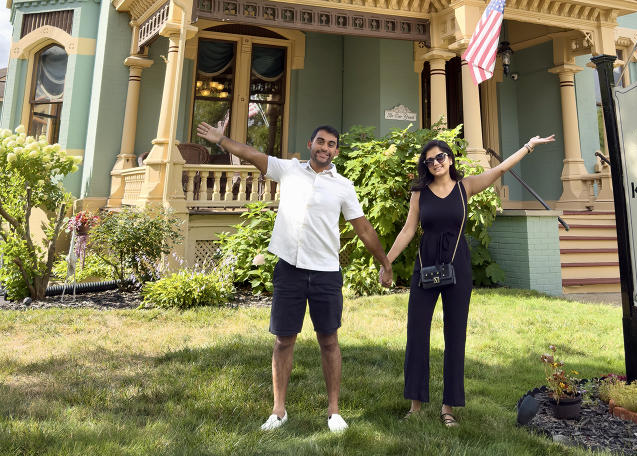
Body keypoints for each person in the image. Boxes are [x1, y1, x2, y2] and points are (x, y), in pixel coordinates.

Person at [197, 120, 393, 433]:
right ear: (310, 144)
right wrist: (223, 141)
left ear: (336, 151)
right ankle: (278, 411)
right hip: (289, 268)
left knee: (329, 341)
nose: (324, 148)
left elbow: (364, 228)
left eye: (330, 144)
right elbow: (251, 154)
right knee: (283, 340)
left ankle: (334, 412)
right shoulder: (288, 170)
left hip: (326, 272)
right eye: (320, 142)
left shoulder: (342, 186)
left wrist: (385, 262)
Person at [380, 134, 555, 426]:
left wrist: (528, 146)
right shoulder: (420, 192)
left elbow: (499, 170)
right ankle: (415, 405)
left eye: (441, 157)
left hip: (457, 267)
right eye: (430, 160)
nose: (436, 163)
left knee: (455, 334)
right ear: (426, 165)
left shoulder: (466, 186)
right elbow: (408, 230)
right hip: (425, 265)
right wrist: (387, 263)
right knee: (417, 333)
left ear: (449, 158)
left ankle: (448, 407)